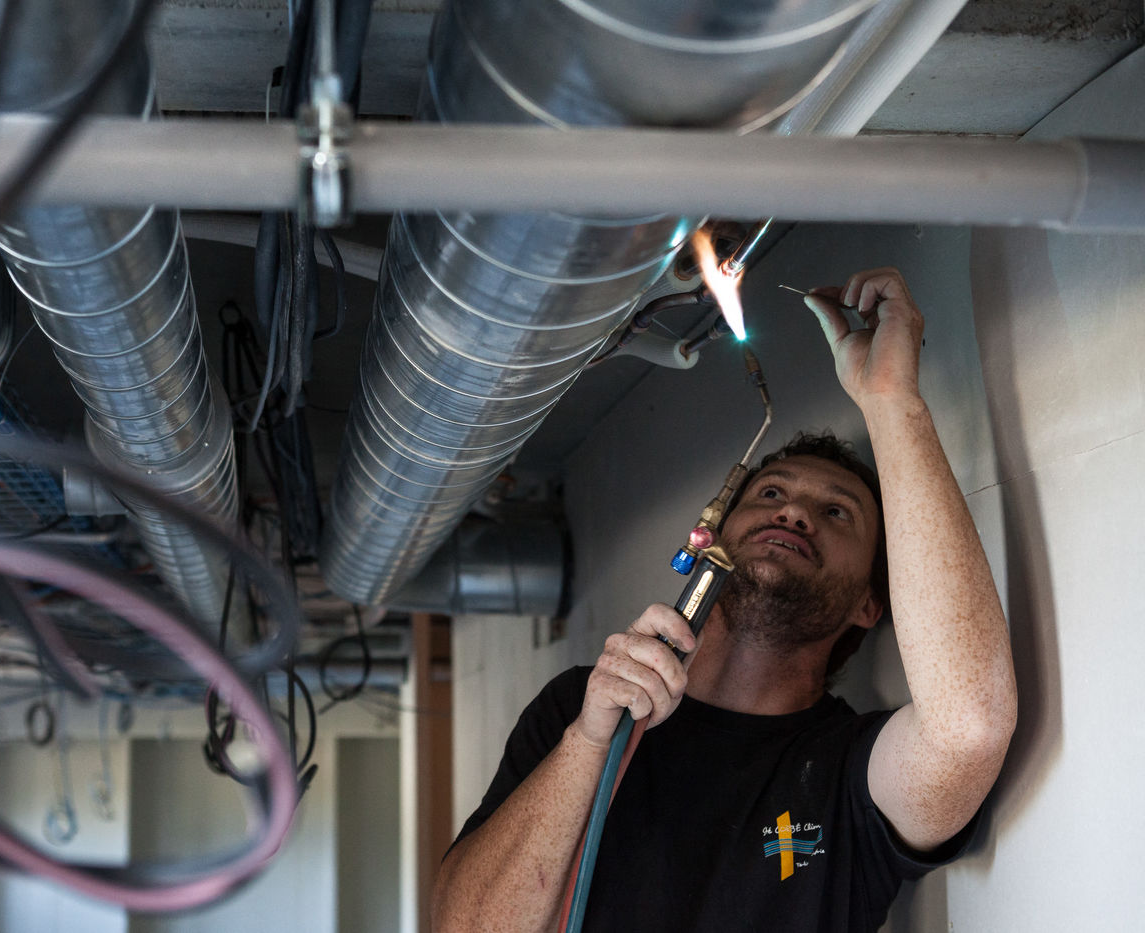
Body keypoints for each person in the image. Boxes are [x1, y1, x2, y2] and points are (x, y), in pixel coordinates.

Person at [431, 268, 1018, 933]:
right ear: (710, 535)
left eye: (836, 512)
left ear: (869, 603)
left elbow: (969, 729)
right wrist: (591, 740)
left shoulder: (847, 772)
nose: (794, 512)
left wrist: (890, 399)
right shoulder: (581, 707)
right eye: (771, 493)